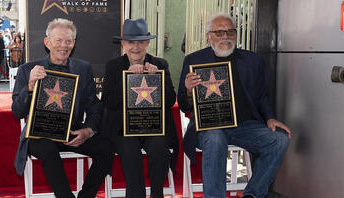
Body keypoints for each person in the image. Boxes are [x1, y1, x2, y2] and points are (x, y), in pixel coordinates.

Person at [177, 13, 291, 198]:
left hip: (245, 125)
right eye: (219, 32)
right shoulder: (194, 60)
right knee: (215, 138)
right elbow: (183, 105)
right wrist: (189, 91)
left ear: (236, 35)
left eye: (230, 32)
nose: (225, 37)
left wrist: (270, 118)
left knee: (280, 139)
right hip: (209, 127)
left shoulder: (253, 61)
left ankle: (253, 194)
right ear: (208, 36)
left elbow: (262, 96)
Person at [12, 18, 114, 198]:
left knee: (106, 148)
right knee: (47, 149)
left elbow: (93, 105)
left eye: (68, 41)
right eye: (58, 40)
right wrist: (29, 86)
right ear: (47, 42)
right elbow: (17, 111)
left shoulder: (83, 68)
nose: (63, 46)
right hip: (39, 134)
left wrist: (88, 131)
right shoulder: (27, 70)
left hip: (71, 131)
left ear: (74, 43)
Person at [101, 18, 179, 198]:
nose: (136, 47)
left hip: (153, 127)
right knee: (130, 151)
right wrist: (128, 76)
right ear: (123, 43)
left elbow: (170, 101)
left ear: (148, 43)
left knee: (159, 148)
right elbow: (108, 101)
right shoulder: (113, 67)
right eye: (130, 42)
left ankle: (157, 194)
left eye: (141, 42)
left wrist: (156, 79)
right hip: (123, 129)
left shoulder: (160, 64)